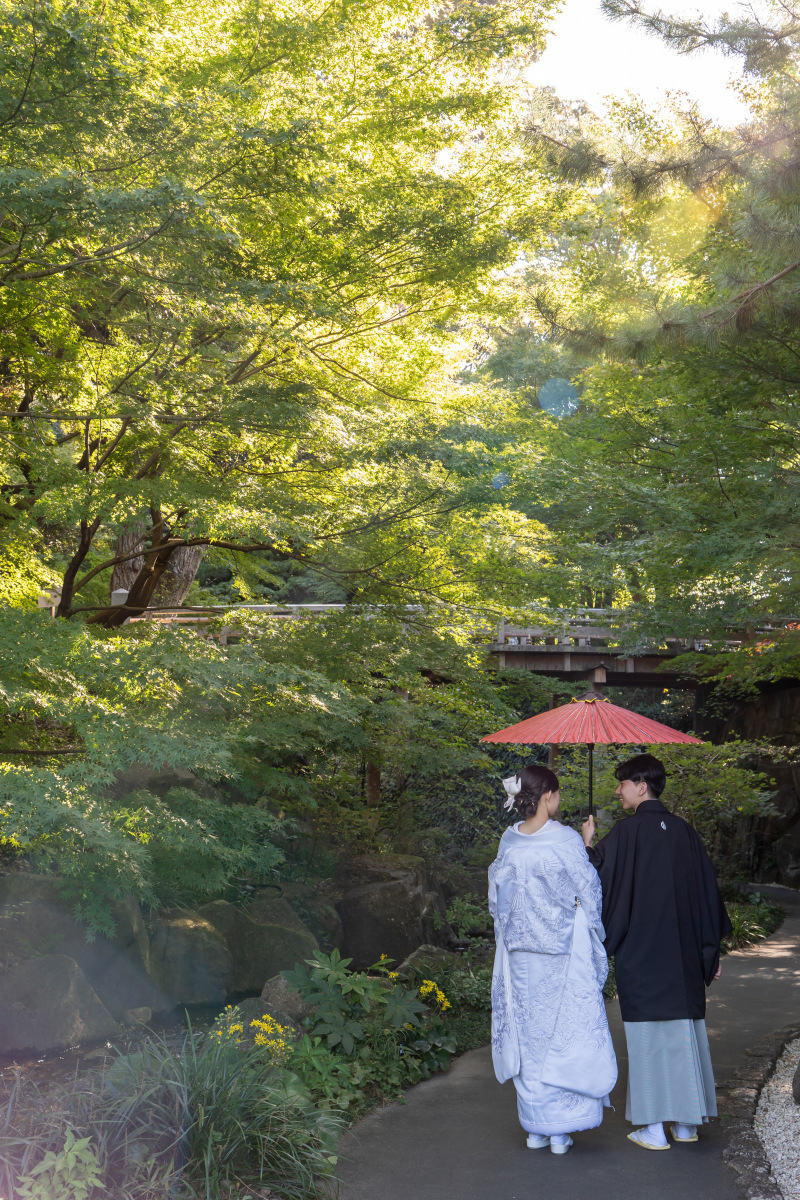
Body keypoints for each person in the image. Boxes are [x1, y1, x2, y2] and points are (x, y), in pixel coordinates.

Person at [581, 753, 732, 1151]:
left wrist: (587, 843)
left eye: (623, 784)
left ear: (641, 786)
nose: (618, 791)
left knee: (649, 1039)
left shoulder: (627, 834)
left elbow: (595, 878)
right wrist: (708, 951)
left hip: (644, 954)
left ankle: (651, 1128)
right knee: (684, 1035)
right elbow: (707, 898)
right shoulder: (686, 833)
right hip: (682, 956)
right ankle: (686, 1124)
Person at [489, 764, 617, 1156]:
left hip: (518, 956)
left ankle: (535, 1127)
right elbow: (589, 892)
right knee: (563, 1032)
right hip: (560, 952)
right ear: (548, 796)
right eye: (558, 794)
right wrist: (586, 843)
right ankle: (560, 1131)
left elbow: (497, 901)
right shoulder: (563, 841)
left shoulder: (508, 841)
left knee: (528, 1036)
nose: (559, 799)